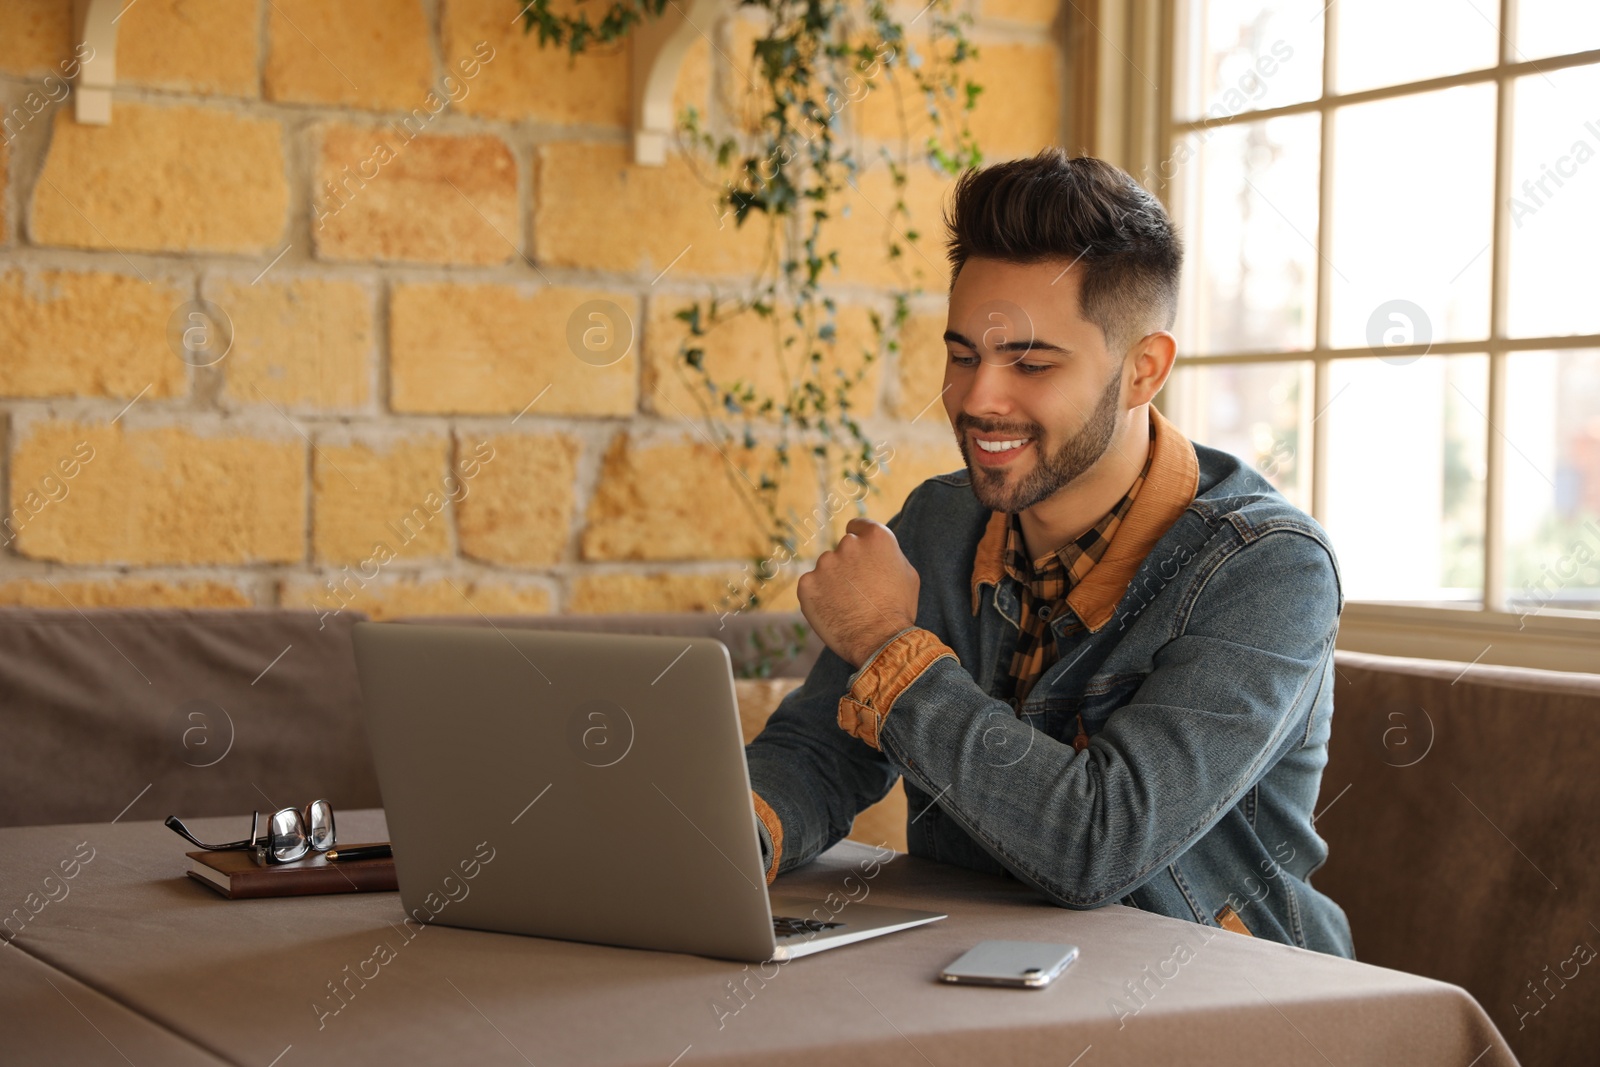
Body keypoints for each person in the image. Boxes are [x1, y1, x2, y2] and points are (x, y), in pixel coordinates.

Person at [744, 148, 1354, 957]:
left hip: (1226, 1009)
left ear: (1143, 371)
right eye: (963, 355)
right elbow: (821, 753)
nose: (976, 398)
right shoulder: (939, 522)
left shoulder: (1270, 569)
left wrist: (888, 648)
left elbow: (1097, 845)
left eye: (1030, 362)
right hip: (980, 986)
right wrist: (719, 843)